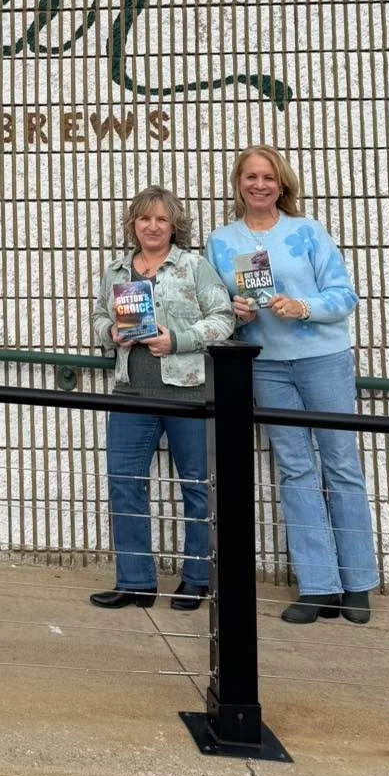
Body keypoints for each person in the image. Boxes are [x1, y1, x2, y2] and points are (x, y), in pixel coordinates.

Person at [205, 145, 379, 625]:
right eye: (251, 176)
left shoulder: (308, 231)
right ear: (238, 183)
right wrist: (237, 314)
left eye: (268, 177)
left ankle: (358, 583)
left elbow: (344, 296)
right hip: (265, 364)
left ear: (282, 184)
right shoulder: (221, 241)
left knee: (341, 465)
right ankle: (318, 585)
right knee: (295, 469)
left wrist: (303, 307)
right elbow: (217, 309)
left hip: (323, 359)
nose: (259, 185)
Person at [90, 186, 234, 611]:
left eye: (161, 219)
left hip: (188, 390)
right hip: (131, 391)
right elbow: (98, 316)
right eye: (144, 218)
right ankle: (135, 582)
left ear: (174, 226)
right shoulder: (117, 271)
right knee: (124, 483)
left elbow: (223, 319)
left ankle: (197, 579)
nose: (152, 226)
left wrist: (179, 340)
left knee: (198, 486)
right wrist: (110, 332)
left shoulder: (194, 267)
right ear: (133, 224)